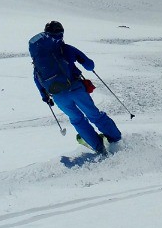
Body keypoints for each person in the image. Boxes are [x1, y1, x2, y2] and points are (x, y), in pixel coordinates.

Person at [29, 21, 122, 153]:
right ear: (61, 33)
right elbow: (89, 65)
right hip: (75, 89)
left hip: (58, 96)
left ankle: (98, 147)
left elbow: (37, 79)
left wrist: (45, 97)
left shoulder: (39, 58)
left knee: (77, 120)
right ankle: (116, 140)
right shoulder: (66, 49)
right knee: (94, 115)